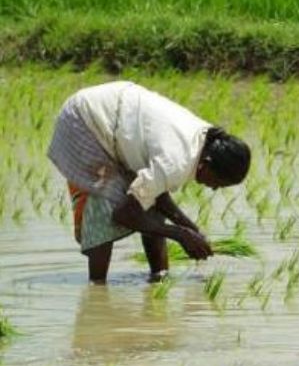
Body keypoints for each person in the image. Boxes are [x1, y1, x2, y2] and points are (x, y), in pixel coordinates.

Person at [47, 81, 251, 284]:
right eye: (217, 182)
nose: (213, 188)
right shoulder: (177, 160)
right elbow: (125, 214)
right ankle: (97, 289)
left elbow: (155, 193)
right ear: (206, 165)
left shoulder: (203, 140)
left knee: (147, 201)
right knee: (105, 203)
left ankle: (158, 278)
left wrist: (191, 229)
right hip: (84, 120)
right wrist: (180, 235)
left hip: (113, 113)